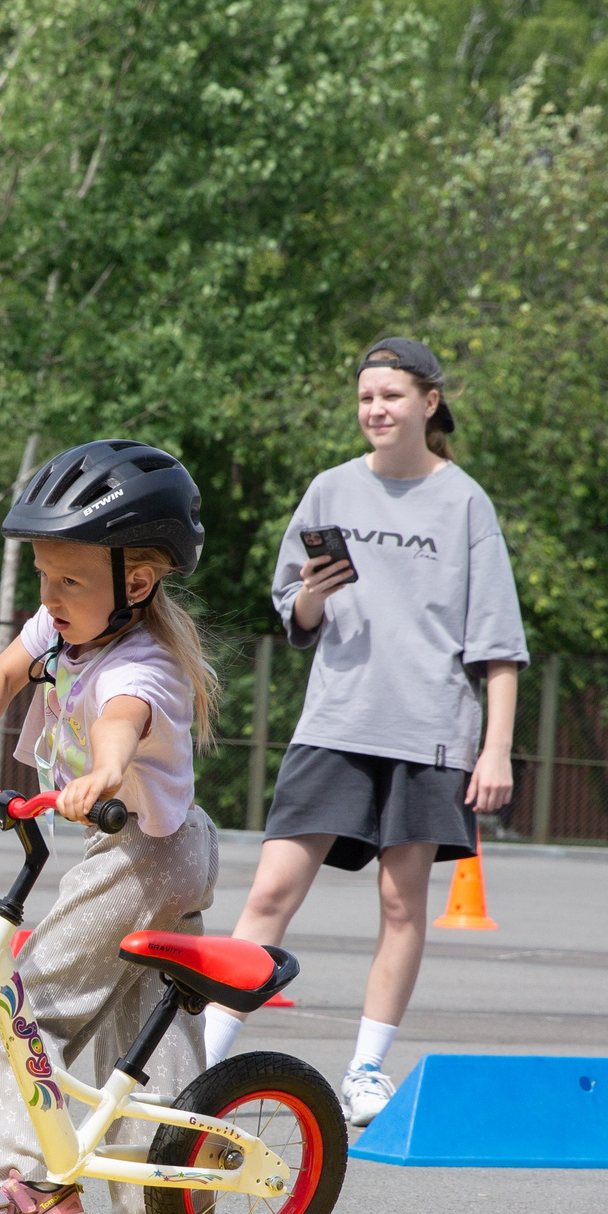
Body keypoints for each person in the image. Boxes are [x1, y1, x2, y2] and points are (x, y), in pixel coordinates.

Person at [202, 337, 526, 1128]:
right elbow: (295, 615)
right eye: (365, 397)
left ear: (430, 403)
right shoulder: (330, 489)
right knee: (273, 889)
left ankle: (367, 1070)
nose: (375, 409)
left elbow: (499, 643)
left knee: (401, 902)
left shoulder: (465, 503)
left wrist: (496, 749)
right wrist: (310, 593)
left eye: (390, 395)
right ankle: (202, 1055)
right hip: (337, 722)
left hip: (429, 734)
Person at [0, 440, 221, 1214]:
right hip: (155, 848)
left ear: (137, 580)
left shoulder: (144, 665)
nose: (50, 598)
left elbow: (118, 722)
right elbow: (2, 672)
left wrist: (103, 772)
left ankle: (28, 1186)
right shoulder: (62, 626)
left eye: (70, 581)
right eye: (44, 577)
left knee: (20, 1003)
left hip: (145, 852)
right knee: (143, 1039)